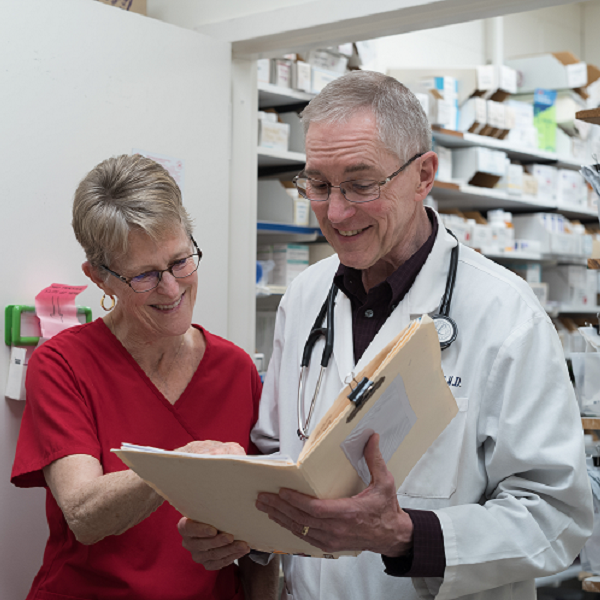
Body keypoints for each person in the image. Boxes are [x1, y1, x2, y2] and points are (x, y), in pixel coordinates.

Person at [179, 71, 593, 600]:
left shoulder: (505, 312)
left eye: (360, 183)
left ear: (423, 175)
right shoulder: (304, 299)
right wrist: (236, 524)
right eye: (319, 184)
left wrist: (406, 537)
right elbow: (279, 457)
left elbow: (557, 516)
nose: (335, 212)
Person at [11, 154, 278, 600]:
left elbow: (259, 535)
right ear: (99, 278)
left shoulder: (235, 369)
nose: (172, 289)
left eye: (180, 261)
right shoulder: (62, 364)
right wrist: (182, 466)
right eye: (146, 275)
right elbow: (84, 513)